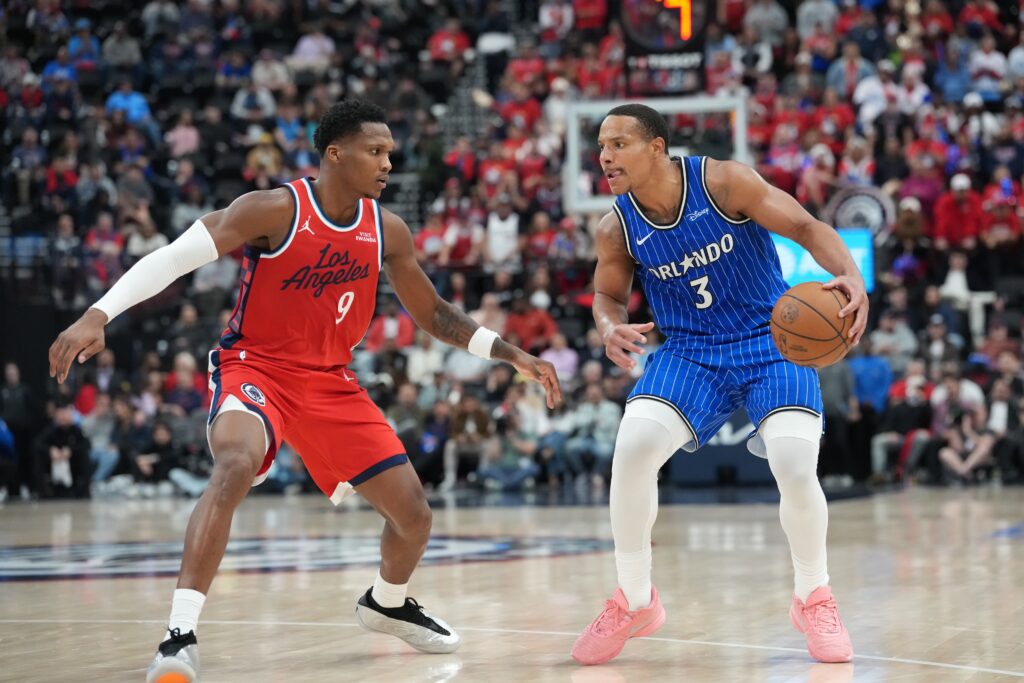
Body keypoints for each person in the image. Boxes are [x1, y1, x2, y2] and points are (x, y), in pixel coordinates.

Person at [49, 100, 562, 683]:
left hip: (330, 382)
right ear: (334, 154)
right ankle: (178, 638)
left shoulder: (386, 229)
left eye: (390, 152)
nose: (388, 162)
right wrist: (99, 312)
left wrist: (511, 352)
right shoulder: (272, 209)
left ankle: (386, 604)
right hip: (256, 366)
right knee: (235, 465)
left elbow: (435, 315)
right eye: (376, 151)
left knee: (414, 517)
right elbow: (173, 258)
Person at [572, 104, 867, 666]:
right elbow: (608, 295)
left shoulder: (723, 180)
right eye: (601, 146)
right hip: (691, 351)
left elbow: (806, 226)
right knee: (632, 450)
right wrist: (609, 327)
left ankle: (814, 595)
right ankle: (635, 599)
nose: (605, 156)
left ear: (656, 147)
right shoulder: (615, 226)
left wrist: (851, 277)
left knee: (794, 462)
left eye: (618, 143)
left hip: (769, 340)